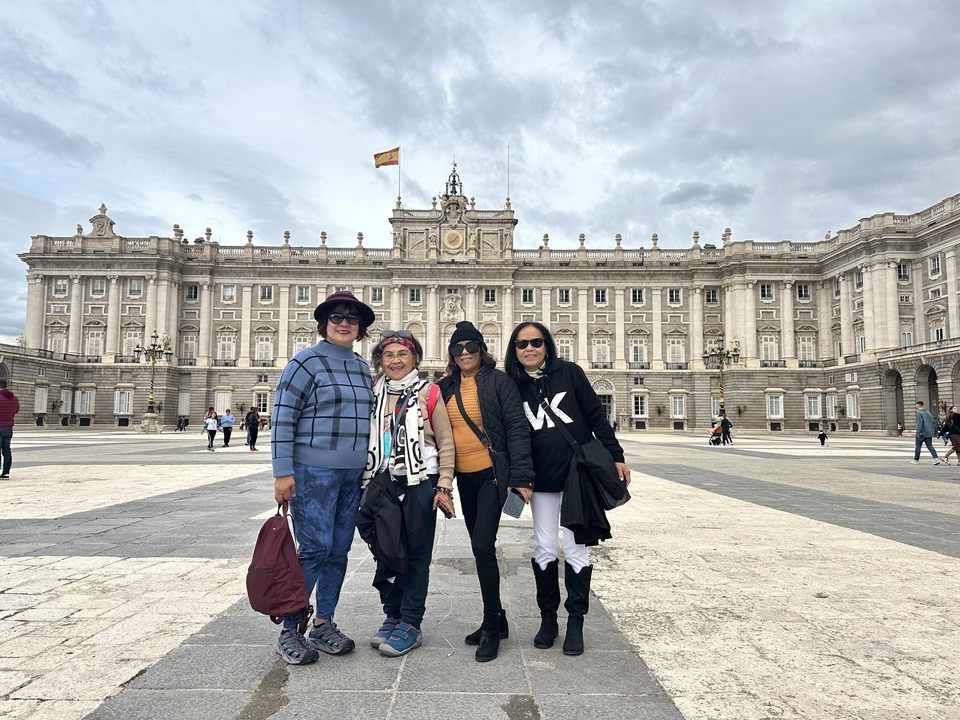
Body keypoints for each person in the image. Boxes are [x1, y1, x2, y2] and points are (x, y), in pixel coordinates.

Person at [505, 322, 631, 656]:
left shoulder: (571, 373)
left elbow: (595, 418)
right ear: (513, 350)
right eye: (522, 344)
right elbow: (508, 435)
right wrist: (517, 477)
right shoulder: (512, 385)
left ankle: (576, 621)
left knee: (577, 549)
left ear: (546, 345)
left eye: (536, 342)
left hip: (576, 476)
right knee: (544, 547)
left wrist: (616, 456)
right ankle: (549, 619)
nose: (529, 348)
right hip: (540, 480)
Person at [271, 290, 375, 666]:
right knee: (314, 549)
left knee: (338, 550)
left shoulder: (363, 368)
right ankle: (290, 630)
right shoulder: (305, 362)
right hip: (312, 472)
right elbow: (283, 417)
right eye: (336, 316)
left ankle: (324, 622)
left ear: (360, 327)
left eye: (351, 317)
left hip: (351, 475)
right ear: (324, 323)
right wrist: (282, 472)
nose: (344, 322)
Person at [437, 321, 535, 662]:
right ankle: (498, 617)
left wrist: (521, 477)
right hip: (465, 479)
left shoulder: (499, 381)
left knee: (482, 547)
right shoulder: (444, 386)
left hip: (493, 476)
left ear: (482, 349)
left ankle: (492, 626)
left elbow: (516, 429)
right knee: (481, 548)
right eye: (458, 348)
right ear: (451, 353)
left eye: (471, 347)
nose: (465, 353)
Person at [360, 330, 456, 657]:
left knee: (415, 555)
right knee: (386, 550)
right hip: (382, 482)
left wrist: (444, 485)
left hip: (420, 482)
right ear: (381, 360)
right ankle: (393, 613)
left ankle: (411, 621)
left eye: (403, 354)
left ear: (414, 358)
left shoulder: (429, 392)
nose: (396, 360)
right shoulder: (373, 393)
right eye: (389, 355)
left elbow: (445, 442)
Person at [0, 379, 20, 479]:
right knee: (7, 451)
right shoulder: (15, 398)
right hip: (9, 427)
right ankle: (6, 472)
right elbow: (16, 410)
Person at [912, 401, 940, 465]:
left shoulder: (918, 413)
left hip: (922, 433)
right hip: (929, 432)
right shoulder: (928, 413)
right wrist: (935, 431)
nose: (915, 407)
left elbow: (919, 423)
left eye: (915, 405)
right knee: (930, 446)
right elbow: (933, 422)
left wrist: (918, 432)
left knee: (918, 446)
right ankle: (936, 458)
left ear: (918, 405)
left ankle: (916, 459)